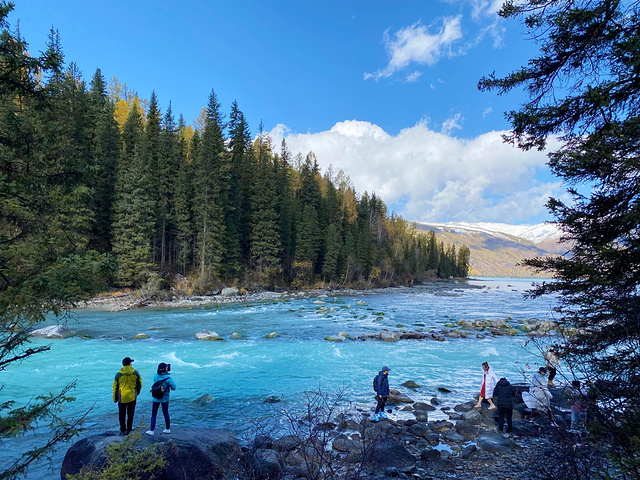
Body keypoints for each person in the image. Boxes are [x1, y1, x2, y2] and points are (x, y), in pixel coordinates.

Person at [112, 356, 142, 435]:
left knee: (122, 414)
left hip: (122, 397)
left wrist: (115, 398)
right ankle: (129, 430)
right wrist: (137, 393)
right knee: (130, 413)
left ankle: (122, 430)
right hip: (132, 396)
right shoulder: (135, 372)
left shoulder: (118, 374)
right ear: (129, 364)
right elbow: (139, 384)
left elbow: (115, 387)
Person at [146, 362, 177, 436]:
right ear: (165, 369)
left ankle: (152, 430)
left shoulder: (155, 376)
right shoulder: (168, 378)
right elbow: (174, 387)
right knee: (165, 413)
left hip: (155, 398)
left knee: (154, 414)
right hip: (164, 398)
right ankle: (167, 429)